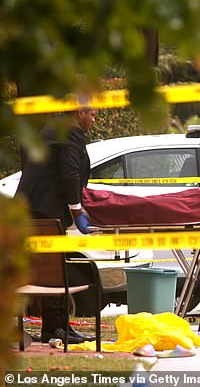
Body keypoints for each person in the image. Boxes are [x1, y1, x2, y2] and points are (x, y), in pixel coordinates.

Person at [16, 106, 98, 344]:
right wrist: (77, 209)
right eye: (91, 113)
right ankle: (57, 328)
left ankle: (54, 328)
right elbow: (69, 171)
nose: (94, 118)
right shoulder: (69, 131)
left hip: (37, 208)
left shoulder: (55, 128)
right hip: (46, 210)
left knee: (50, 267)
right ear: (78, 113)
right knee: (53, 269)